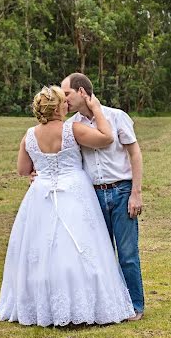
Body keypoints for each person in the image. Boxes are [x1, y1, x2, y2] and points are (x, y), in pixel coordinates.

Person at [0, 85, 135, 327]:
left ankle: (45, 308)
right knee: (79, 247)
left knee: (42, 250)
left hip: (41, 195)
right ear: (58, 107)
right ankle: (84, 306)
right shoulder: (72, 130)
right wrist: (97, 110)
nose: (67, 105)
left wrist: (39, 170)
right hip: (74, 191)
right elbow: (106, 138)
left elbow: (21, 169)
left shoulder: (29, 135)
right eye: (64, 102)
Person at [61, 73, 145, 321]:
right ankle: (109, 307)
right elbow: (61, 155)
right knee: (100, 254)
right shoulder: (72, 126)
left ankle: (135, 306)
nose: (63, 99)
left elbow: (135, 154)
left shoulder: (116, 116)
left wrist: (136, 193)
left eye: (67, 94)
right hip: (92, 196)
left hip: (121, 192)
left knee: (127, 254)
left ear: (82, 93)